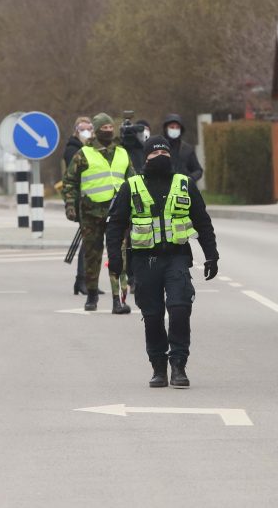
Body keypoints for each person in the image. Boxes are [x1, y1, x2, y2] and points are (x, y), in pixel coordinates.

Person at [106, 136, 219, 388]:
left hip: (176, 257)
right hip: (144, 262)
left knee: (180, 309)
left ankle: (178, 364)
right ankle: (158, 367)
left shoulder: (184, 184)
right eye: (155, 154)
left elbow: (203, 222)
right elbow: (115, 225)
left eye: (165, 154)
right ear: (145, 158)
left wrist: (211, 255)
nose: (160, 158)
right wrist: (115, 258)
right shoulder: (131, 186)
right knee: (153, 315)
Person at [62, 112, 133, 313]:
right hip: (91, 213)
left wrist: (137, 207)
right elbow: (69, 182)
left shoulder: (122, 153)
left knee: (118, 256)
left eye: (111, 128)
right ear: (96, 130)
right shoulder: (83, 154)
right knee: (92, 256)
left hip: (118, 214)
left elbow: (134, 181)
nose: (108, 131)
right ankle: (92, 294)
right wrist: (70, 205)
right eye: (104, 128)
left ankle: (118, 300)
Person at [64, 117, 102, 297]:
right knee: (89, 243)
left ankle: (88, 280)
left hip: (94, 202)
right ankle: (82, 280)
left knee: (93, 243)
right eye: (82, 129)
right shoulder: (73, 149)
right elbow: (73, 178)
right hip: (83, 202)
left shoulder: (94, 149)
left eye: (89, 128)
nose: (86, 132)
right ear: (76, 131)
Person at [162, 114, 203, 182]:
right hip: (163, 188)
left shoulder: (187, 149)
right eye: (172, 127)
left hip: (183, 188)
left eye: (177, 127)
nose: (174, 129)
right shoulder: (159, 147)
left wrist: (190, 179)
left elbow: (198, 170)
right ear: (166, 128)